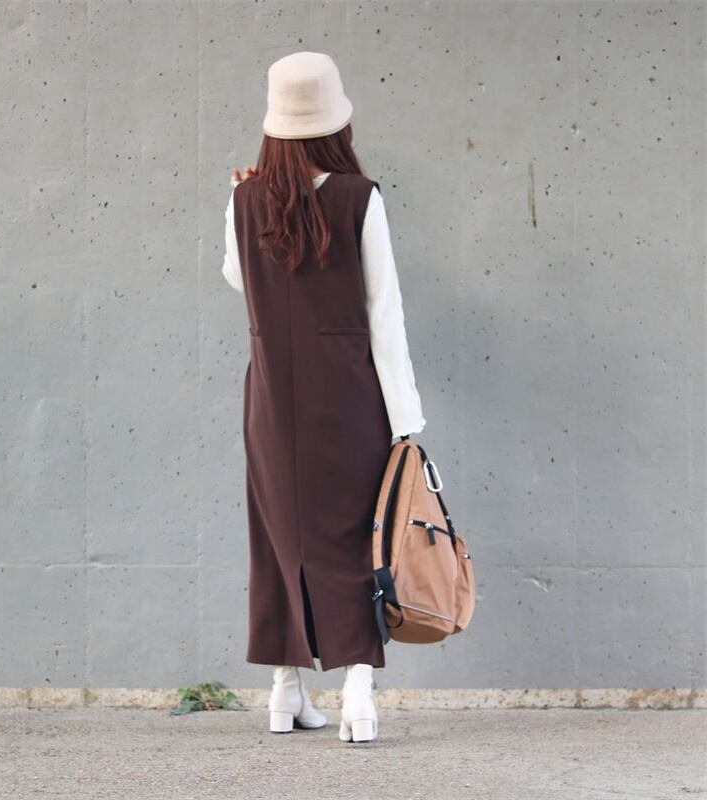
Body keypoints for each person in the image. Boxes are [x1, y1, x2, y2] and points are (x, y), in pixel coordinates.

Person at [221, 51, 426, 743]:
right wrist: (405, 419)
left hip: (269, 400)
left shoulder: (244, 199)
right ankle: (358, 696)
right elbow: (384, 313)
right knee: (356, 537)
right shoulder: (359, 197)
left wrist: (239, 199)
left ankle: (285, 692)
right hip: (349, 398)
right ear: (336, 124)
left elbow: (237, 278)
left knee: (279, 534)